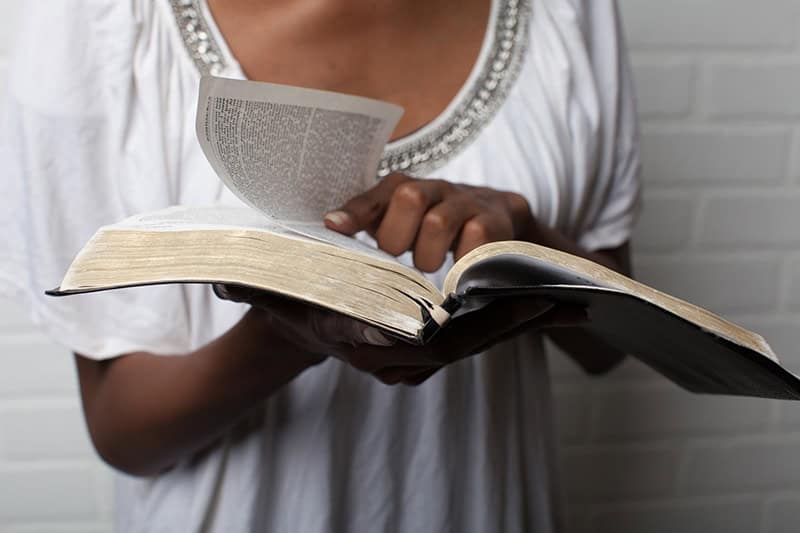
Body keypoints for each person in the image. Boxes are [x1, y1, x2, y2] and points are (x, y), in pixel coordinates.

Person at [1, 0, 640, 531]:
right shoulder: (101, 20)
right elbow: (123, 431)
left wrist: (525, 244)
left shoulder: (566, 13)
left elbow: (611, 346)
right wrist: (288, 334)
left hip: (487, 506)